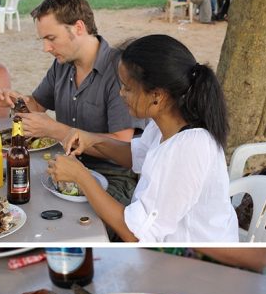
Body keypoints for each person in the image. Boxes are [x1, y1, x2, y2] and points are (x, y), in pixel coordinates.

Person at [47, 34, 239, 243]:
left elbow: (137, 234)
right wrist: (93, 140)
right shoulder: (166, 124)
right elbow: (135, 155)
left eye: (127, 88)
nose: (121, 93)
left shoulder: (189, 148)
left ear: (157, 96)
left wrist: (81, 177)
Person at [0, 0, 141, 205]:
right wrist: (17, 101)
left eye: (51, 38)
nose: (46, 48)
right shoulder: (62, 65)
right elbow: (37, 105)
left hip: (113, 177)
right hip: (65, 166)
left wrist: (55, 130)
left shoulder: (119, 70)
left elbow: (123, 145)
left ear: (79, 28)